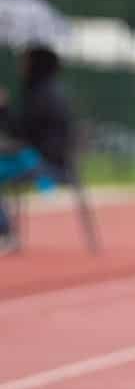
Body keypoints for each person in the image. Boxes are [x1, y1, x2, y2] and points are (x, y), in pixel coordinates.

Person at [0, 44, 74, 252]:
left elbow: (23, 135)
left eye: (25, 60)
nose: (20, 65)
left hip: (44, 164)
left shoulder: (41, 96)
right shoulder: (51, 91)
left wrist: (4, 108)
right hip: (50, 160)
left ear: (36, 64)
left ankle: (4, 231)